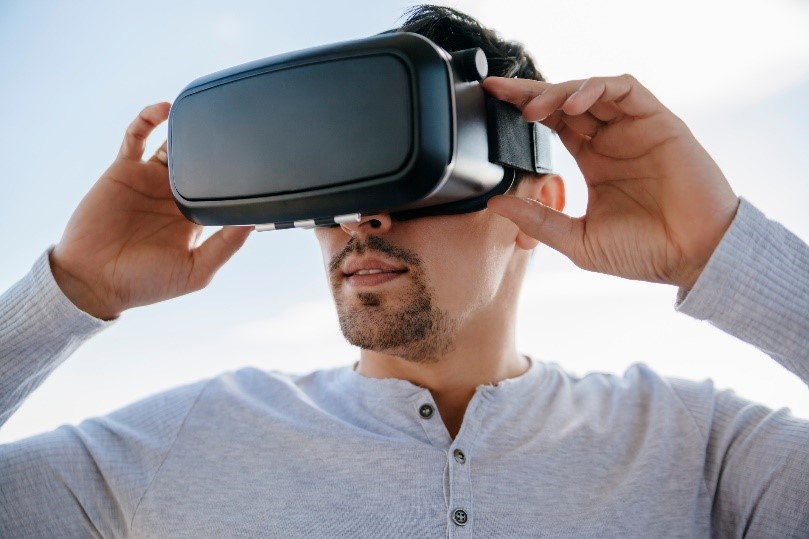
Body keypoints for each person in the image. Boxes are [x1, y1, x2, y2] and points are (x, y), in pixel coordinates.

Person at [1, 5, 807, 537]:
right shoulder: (177, 443)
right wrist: (72, 289)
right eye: (339, 184)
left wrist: (719, 251)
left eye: (408, 174)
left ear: (538, 204)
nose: (362, 218)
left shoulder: (700, 448)